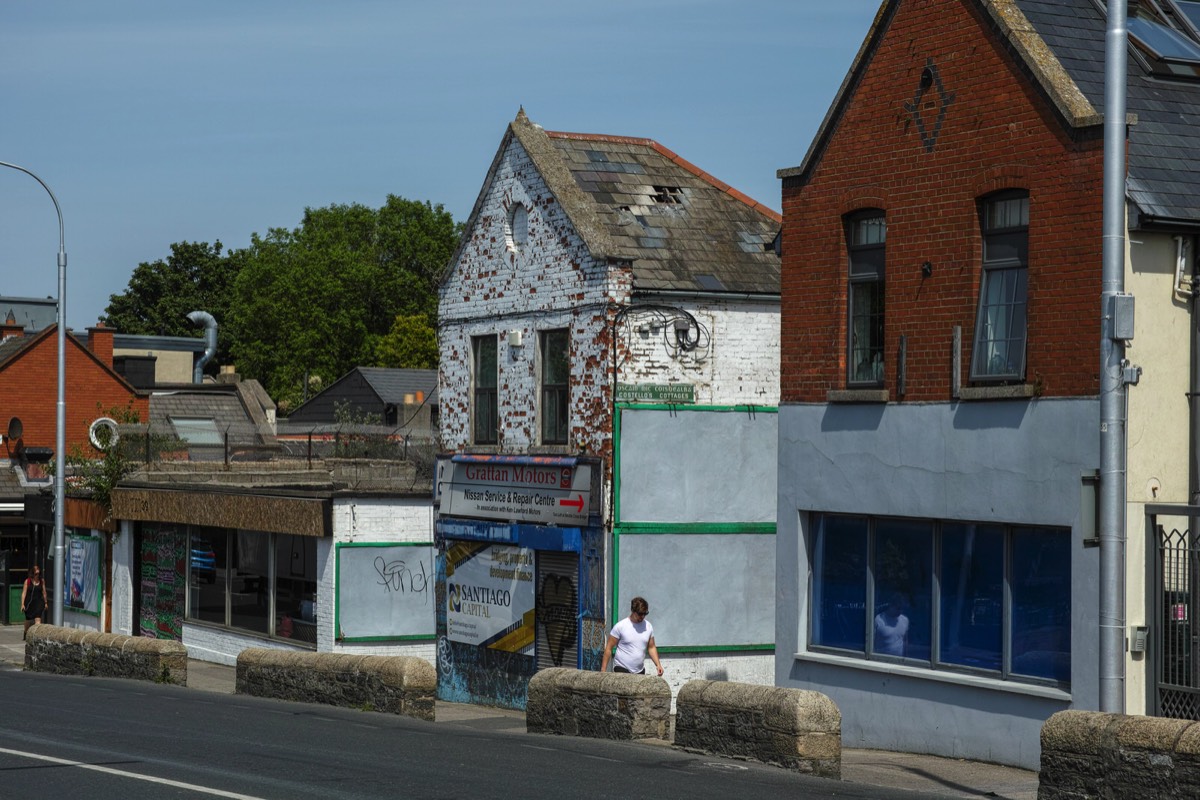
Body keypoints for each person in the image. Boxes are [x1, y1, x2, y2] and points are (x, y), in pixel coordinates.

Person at [600, 596, 664, 676]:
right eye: (640, 614)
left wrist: (658, 665)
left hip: (639, 670)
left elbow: (651, 647)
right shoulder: (620, 626)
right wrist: (603, 670)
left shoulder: (648, 626)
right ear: (633, 611)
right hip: (621, 667)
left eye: (645, 613)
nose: (643, 616)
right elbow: (609, 648)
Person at [21, 566, 49, 641]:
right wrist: (22, 604)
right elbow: (24, 593)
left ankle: (37, 637)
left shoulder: (41, 581)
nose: (37, 576)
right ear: (33, 573)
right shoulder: (28, 581)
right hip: (29, 603)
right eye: (36, 574)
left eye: (38, 574)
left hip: (38, 602)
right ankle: (25, 632)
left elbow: (44, 592)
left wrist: (46, 602)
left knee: (38, 619)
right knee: (28, 620)